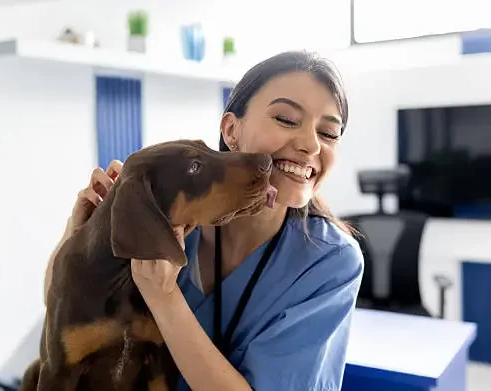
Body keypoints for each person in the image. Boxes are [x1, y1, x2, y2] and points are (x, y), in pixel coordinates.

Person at [44, 50, 364, 390]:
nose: (311, 144)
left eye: (329, 133)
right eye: (286, 119)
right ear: (231, 129)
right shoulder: (165, 217)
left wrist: (164, 296)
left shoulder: (330, 261)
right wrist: (77, 235)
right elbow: (63, 309)